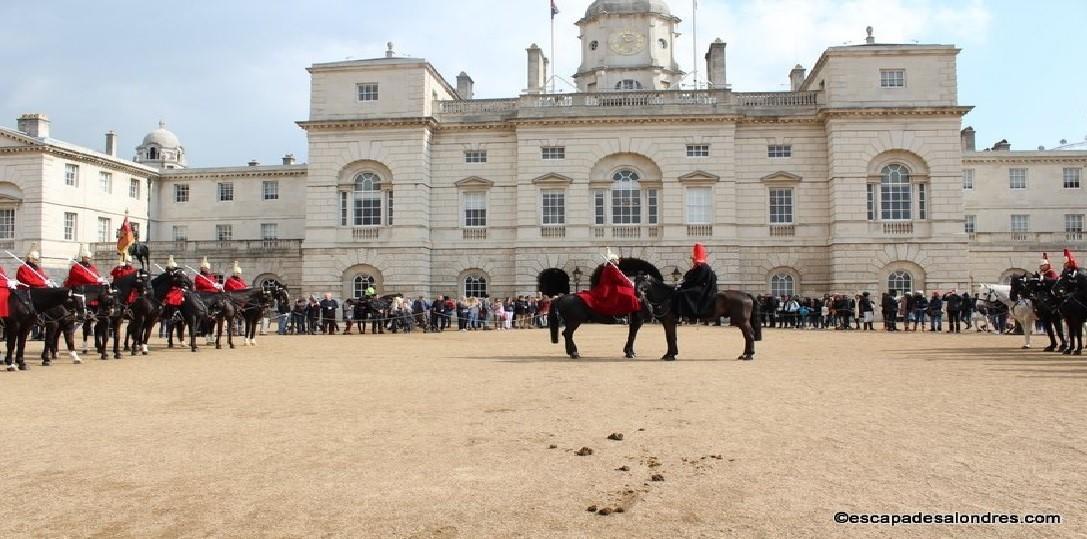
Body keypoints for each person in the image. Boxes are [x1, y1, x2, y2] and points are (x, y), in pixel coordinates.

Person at [574, 248, 641, 318]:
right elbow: (620, 279)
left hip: (610, 286)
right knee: (628, 295)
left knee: (624, 292)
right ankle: (619, 315)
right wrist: (631, 285)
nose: (618, 260)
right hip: (608, 288)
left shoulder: (612, 267)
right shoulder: (611, 268)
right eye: (616, 259)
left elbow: (621, 279)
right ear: (612, 260)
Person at [673, 243, 718, 322]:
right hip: (700, 287)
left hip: (704, 289)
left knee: (683, 293)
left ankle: (684, 315)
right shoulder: (697, 267)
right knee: (681, 291)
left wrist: (683, 285)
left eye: (693, 259)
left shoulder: (703, 267)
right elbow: (689, 277)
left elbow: (696, 280)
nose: (692, 261)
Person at [161, 256, 187, 321]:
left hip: (178, 290)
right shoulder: (166, 275)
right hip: (170, 290)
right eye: (169, 268)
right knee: (170, 298)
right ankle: (170, 314)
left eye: (172, 268)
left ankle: (182, 313)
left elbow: (182, 282)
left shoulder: (179, 275)